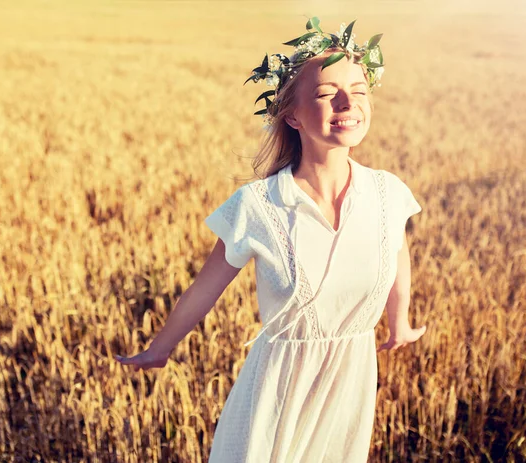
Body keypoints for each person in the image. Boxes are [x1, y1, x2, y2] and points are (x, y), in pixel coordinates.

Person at [115, 17, 427, 462]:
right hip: (277, 390)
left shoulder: (387, 193)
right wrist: (159, 349)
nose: (348, 102)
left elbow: (396, 249)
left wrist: (399, 320)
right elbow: (206, 287)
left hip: (350, 386)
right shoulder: (259, 206)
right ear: (292, 115)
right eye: (326, 93)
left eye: (359, 90)